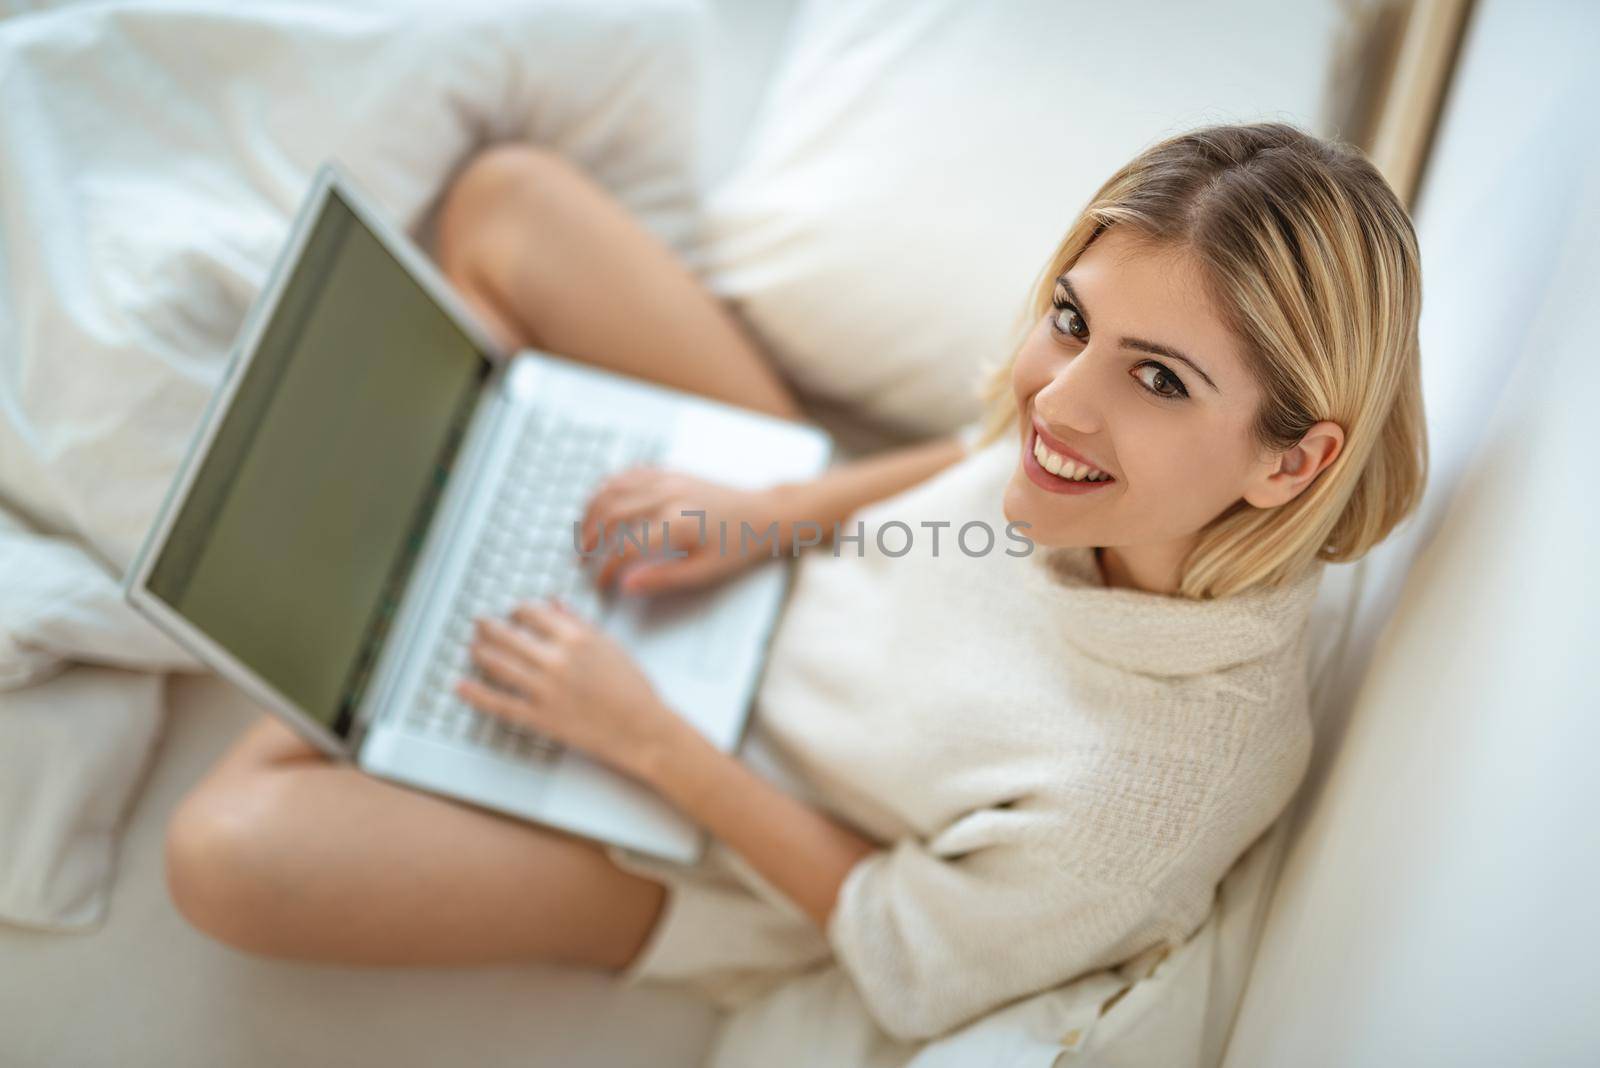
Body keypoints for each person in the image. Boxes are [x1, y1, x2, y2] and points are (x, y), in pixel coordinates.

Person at [164, 121, 1427, 1051]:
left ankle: (414, 599)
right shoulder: (1111, 468)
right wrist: (762, 517)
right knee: (511, 206)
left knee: (223, 859)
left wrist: (646, 740)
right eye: (1071, 317)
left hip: (722, 841)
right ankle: (467, 537)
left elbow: (911, 961)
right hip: (773, 579)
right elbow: (981, 455)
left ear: (1293, 459)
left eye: (1157, 379)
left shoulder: (1150, 791)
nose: (1058, 398)